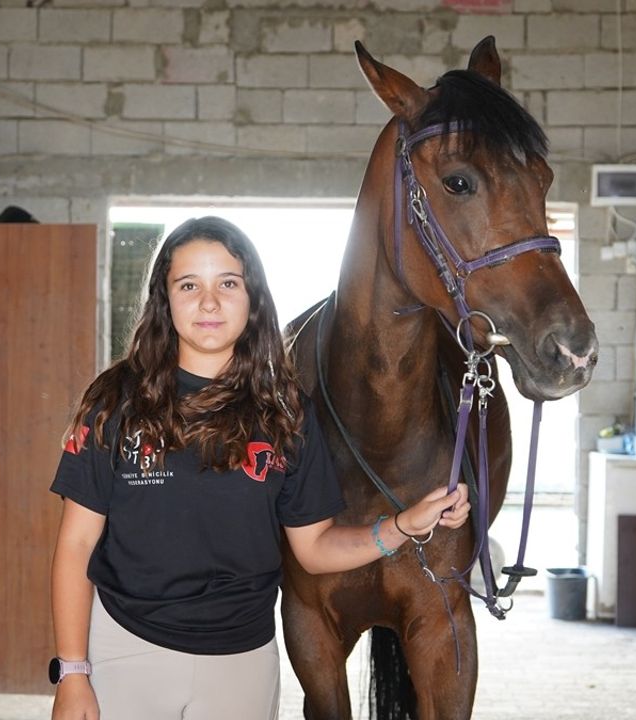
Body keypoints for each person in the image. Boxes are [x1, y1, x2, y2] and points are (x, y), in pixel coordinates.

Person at [48, 216, 471, 720]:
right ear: (165, 298)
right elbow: (75, 545)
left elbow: (313, 549)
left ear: (252, 300)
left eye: (228, 283)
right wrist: (73, 672)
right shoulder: (115, 402)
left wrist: (402, 526)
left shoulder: (286, 412)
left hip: (242, 663)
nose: (209, 302)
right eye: (189, 285)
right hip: (127, 651)